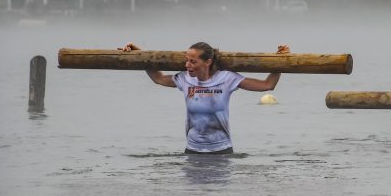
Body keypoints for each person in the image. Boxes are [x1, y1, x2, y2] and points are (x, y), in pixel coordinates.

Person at [120, 42, 289, 154]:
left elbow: (268, 85)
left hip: (221, 151)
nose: (187, 65)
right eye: (186, 61)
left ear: (207, 62)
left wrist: (280, 61)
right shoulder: (185, 79)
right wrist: (138, 53)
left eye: (193, 62)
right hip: (192, 151)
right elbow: (158, 78)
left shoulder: (226, 79)